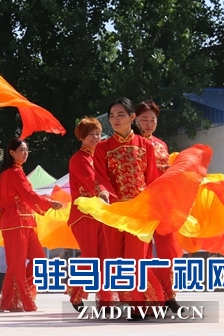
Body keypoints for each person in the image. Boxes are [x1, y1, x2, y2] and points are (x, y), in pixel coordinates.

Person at [94, 98, 164, 318]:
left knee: (136, 259)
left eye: (120, 115)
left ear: (132, 117)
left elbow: (151, 179)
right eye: (112, 116)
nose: (115, 119)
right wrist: (104, 192)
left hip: (139, 212)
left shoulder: (146, 146)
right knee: (115, 258)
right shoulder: (103, 148)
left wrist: (155, 206)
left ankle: (139, 305)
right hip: (114, 211)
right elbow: (100, 177)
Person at [0, 138, 62, 312]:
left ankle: (14, 298)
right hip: (16, 222)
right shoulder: (13, 173)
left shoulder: (15, 172)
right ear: (12, 153)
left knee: (39, 260)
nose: (26, 153)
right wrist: (49, 203)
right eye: (22, 150)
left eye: (27, 149)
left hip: (24, 221)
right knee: (16, 264)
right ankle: (20, 301)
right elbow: (28, 194)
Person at [136, 100, 183, 311]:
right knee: (142, 252)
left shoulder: (162, 144)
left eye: (152, 119)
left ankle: (169, 295)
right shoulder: (131, 143)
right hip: (141, 204)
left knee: (169, 250)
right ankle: (150, 295)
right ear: (135, 120)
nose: (148, 123)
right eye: (144, 119)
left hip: (163, 204)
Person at [67, 117, 111, 310]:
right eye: (91, 133)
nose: (95, 137)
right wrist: (103, 192)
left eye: (98, 133)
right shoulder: (79, 159)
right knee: (91, 256)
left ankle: (105, 300)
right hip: (83, 215)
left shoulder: (100, 157)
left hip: (100, 214)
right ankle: (76, 295)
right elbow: (92, 182)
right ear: (82, 137)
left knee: (105, 256)